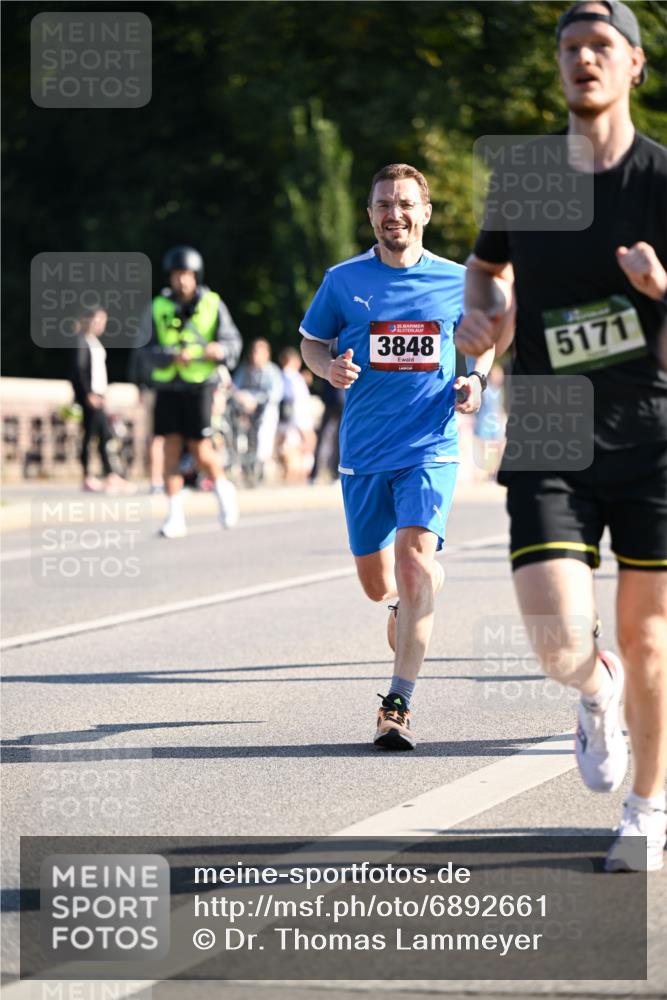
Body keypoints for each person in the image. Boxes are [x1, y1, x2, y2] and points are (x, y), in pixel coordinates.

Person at [455, 1, 667, 870]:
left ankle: (646, 810)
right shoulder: (527, 174)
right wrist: (483, 321)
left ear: (633, 66)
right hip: (545, 422)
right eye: (569, 48)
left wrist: (661, 290)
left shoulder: (661, 180)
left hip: (651, 430)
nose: (583, 60)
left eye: (600, 47)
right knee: (554, 638)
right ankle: (592, 687)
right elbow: (485, 270)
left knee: (650, 636)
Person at [301, 163, 503, 750]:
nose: (396, 214)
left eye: (406, 203)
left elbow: (485, 339)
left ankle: (398, 704)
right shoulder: (342, 281)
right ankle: (404, 599)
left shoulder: (456, 279)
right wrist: (328, 366)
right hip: (364, 451)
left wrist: (476, 381)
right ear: (371, 215)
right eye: (384, 204)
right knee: (377, 584)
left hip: (430, 446)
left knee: (414, 564)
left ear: (426, 212)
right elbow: (312, 341)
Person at [140, 245, 243, 537]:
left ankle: (223, 490)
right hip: (168, 385)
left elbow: (232, 342)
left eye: (186, 275)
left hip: (200, 385)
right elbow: (145, 349)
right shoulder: (158, 306)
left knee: (200, 448)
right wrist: (171, 356)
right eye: (176, 275)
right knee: (169, 447)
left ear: (195, 276)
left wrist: (217, 350)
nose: (181, 281)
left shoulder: (213, 303)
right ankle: (174, 515)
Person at [70, 303, 134, 494]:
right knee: (95, 436)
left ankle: (107, 475)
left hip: (99, 395)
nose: (101, 324)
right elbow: (79, 370)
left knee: (101, 434)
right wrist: (88, 394)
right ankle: (100, 476)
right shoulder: (81, 341)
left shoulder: (93, 342)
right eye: (98, 320)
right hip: (90, 397)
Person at [232, 338, 284, 484]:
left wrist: (256, 400)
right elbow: (235, 388)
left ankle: (261, 471)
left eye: (259, 353)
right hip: (245, 414)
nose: (255, 356)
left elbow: (275, 395)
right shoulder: (245, 370)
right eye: (254, 352)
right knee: (241, 438)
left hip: (265, 413)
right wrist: (243, 398)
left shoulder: (272, 372)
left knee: (263, 439)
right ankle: (244, 468)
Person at [277, 346, 317, 480]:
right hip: (298, 415)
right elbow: (295, 398)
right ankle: (301, 469)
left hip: (291, 416)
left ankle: (297, 469)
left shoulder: (286, 375)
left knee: (289, 443)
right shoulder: (290, 376)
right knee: (306, 442)